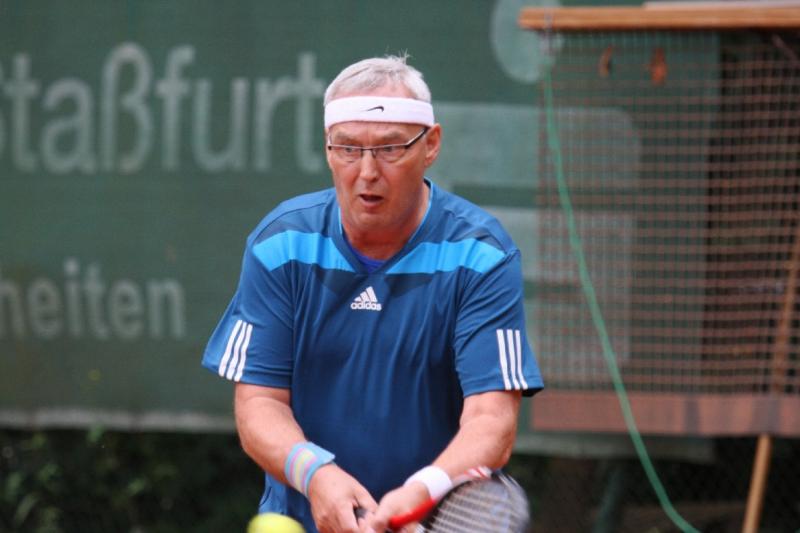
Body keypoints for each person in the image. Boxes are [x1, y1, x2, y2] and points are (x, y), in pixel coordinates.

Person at [202, 55, 543, 533]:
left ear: (431, 145)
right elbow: (259, 404)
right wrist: (317, 476)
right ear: (328, 149)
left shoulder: (482, 255)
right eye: (347, 148)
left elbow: (492, 420)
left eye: (389, 148)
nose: (366, 171)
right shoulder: (280, 245)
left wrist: (422, 491)